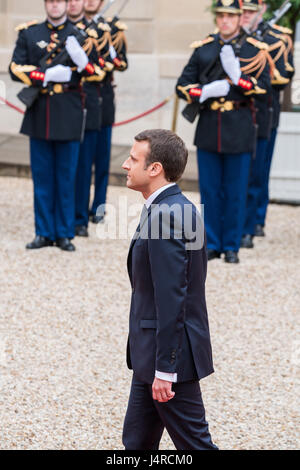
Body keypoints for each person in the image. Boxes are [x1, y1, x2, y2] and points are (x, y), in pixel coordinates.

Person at [121, 129, 218, 451]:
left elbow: (172, 297)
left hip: (168, 361)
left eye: (134, 159)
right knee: (136, 444)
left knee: (196, 446)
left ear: (155, 169)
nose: (125, 164)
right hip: (151, 355)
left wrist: (166, 369)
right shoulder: (174, 207)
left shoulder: (166, 216)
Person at [176, 0, 271, 264]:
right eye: (221, 16)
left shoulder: (254, 49)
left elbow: (264, 88)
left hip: (239, 125)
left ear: (241, 18)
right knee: (210, 189)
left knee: (236, 189)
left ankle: (231, 245)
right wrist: (204, 92)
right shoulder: (204, 49)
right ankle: (212, 243)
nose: (225, 21)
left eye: (231, 16)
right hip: (209, 125)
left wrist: (237, 77)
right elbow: (182, 85)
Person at [9, 0, 101, 251]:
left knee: (66, 176)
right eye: (51, 1)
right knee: (42, 178)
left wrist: (79, 61)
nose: (55, 6)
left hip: (68, 112)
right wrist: (46, 75)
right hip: (39, 112)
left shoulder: (81, 36)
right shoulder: (30, 33)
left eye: (60, 1)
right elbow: (14, 67)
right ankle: (43, 231)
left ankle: (64, 232)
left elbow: (96, 72)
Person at [240, 0, 293, 248]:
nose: (246, 15)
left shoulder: (275, 39)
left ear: (261, 10)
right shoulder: (234, 38)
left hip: (265, 114)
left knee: (259, 171)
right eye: (244, 11)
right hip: (240, 115)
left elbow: (284, 77)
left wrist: (268, 62)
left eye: (251, 11)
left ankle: (256, 219)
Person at [67, 0, 114, 237]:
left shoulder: (99, 33)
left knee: (92, 162)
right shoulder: (61, 31)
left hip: (93, 100)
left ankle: (85, 215)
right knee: (74, 165)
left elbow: (108, 64)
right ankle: (71, 213)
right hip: (67, 102)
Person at [88, 0, 129, 225]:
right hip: (77, 99)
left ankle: (99, 206)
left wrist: (110, 52)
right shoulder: (74, 28)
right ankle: (77, 206)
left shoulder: (111, 29)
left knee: (101, 159)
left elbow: (122, 63)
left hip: (102, 97)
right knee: (79, 160)